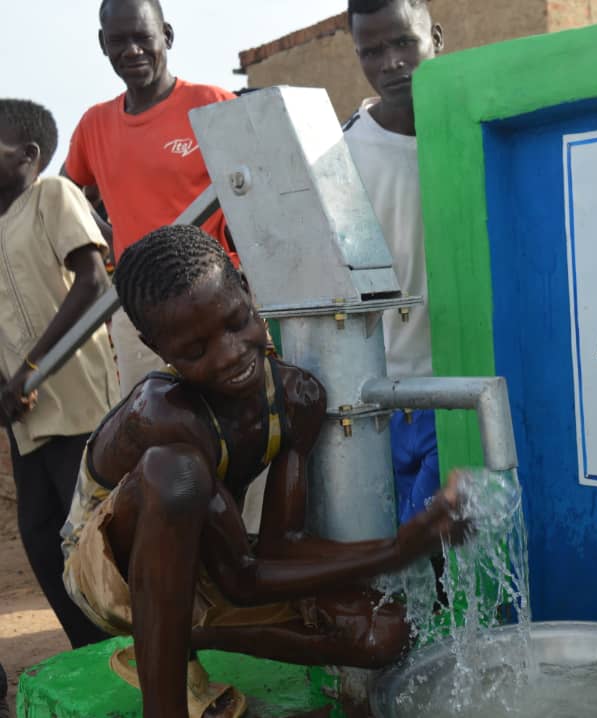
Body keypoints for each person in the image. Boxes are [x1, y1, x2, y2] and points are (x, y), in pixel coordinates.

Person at [61, 225, 470, 718]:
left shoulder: (296, 398)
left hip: (207, 558)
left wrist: (409, 548)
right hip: (109, 572)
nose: (230, 352)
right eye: (196, 351)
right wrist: (396, 550)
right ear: (157, 347)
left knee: (382, 632)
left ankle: (167, 637)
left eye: (237, 322)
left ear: (245, 287)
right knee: (176, 473)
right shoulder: (163, 414)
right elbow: (243, 581)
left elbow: (282, 547)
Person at [61, 0, 236, 395]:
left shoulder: (211, 103)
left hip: (214, 296)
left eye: (143, 37)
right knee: (153, 424)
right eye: (119, 40)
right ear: (103, 44)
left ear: (167, 36)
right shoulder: (94, 124)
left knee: (234, 423)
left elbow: (261, 190)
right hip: (137, 309)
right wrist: (112, 237)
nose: (132, 50)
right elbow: (65, 195)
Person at [0, 99, 116, 650]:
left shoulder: (51, 195)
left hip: (75, 399)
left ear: (29, 154)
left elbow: (93, 280)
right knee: (41, 535)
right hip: (22, 415)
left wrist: (31, 369)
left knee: (90, 533)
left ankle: (132, 649)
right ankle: (88, 653)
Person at [344, 0, 444, 525]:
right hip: (378, 401)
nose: (391, 63)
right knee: (396, 567)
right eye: (373, 51)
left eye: (404, 42)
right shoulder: (339, 157)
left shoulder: (473, 132)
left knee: (458, 565)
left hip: (460, 390)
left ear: (436, 38)